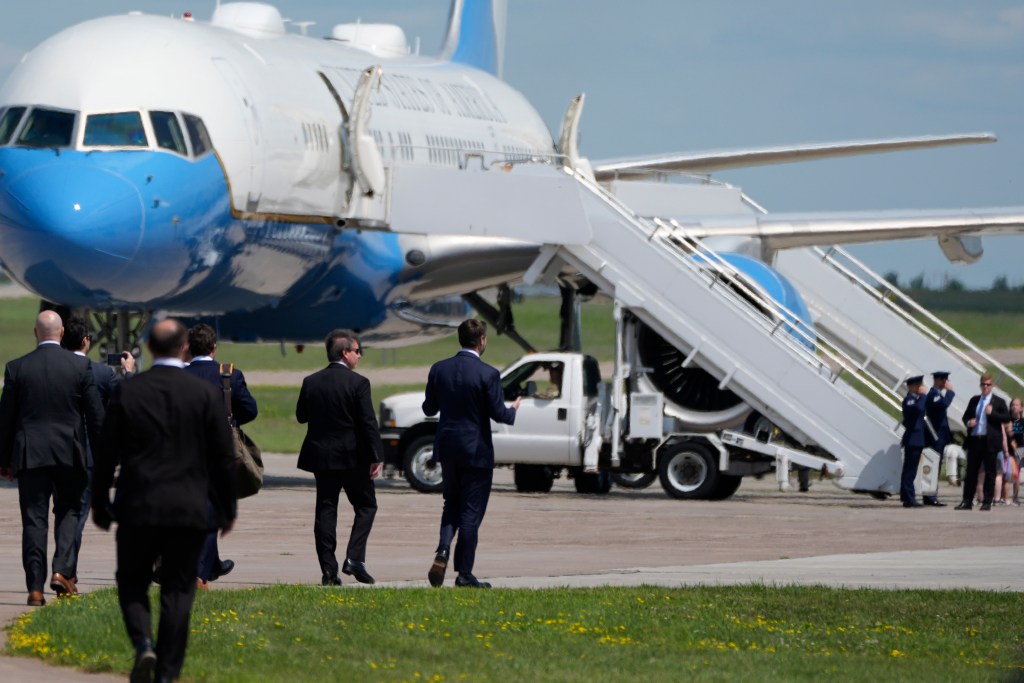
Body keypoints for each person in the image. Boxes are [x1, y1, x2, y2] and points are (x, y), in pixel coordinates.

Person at [92, 319, 236, 683]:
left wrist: (99, 502)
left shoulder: (129, 391)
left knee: (132, 582)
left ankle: (143, 643)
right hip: (188, 508)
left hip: (138, 504)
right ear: (182, 348)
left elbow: (106, 453)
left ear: (151, 349)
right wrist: (226, 508)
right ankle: (168, 674)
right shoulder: (204, 394)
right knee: (177, 591)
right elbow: (222, 456)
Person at [0, 311, 104, 606]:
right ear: (60, 334)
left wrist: (4, 460)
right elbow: (96, 418)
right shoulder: (80, 366)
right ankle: (61, 571)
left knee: (34, 521)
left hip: (30, 454)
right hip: (69, 454)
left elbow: (5, 420)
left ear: (36, 333)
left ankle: (34, 588)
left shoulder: (17, 368)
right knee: (69, 512)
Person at [422, 319, 521, 588]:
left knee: (451, 502)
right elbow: (499, 414)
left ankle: (443, 549)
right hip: (476, 451)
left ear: (460, 339)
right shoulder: (488, 374)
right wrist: (514, 409)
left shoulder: (439, 369)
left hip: (447, 449)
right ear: (482, 340)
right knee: (470, 513)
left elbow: (428, 409)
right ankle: (464, 573)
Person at [296, 330, 383, 586]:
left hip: (322, 457)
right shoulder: (358, 383)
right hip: (352, 458)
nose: (359, 356)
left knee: (326, 510)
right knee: (366, 506)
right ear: (345, 353)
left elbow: (301, 416)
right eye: (357, 351)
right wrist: (376, 455)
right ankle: (354, 558)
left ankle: (328, 571)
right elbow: (368, 422)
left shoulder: (311, 381)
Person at [60, 316, 135, 585]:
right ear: (86, 342)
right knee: (77, 514)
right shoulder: (103, 374)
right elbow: (129, 401)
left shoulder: (52, 368)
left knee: (62, 513)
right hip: (89, 453)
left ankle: (64, 569)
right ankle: (65, 570)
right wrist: (129, 372)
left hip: (54, 452)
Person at [184, 323, 256, 586]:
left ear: (188, 349)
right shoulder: (229, 376)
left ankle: (211, 565)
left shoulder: (178, 375)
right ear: (214, 348)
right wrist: (231, 419)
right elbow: (250, 410)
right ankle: (199, 574)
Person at [956, 373, 1011, 511]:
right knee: (971, 472)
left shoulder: (998, 401)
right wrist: (969, 422)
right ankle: (967, 500)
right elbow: (965, 417)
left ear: (992, 386)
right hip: (975, 440)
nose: (985, 387)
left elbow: (1006, 417)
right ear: (980, 385)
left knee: (990, 472)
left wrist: (992, 413)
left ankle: (987, 501)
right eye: (983, 384)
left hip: (990, 441)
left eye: (988, 384)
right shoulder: (975, 400)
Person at [922, 371, 954, 507]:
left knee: (936, 465)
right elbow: (942, 405)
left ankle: (931, 494)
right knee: (933, 466)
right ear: (939, 380)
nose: (946, 382)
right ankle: (930, 496)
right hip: (935, 437)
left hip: (940, 437)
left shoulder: (937, 395)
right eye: (944, 380)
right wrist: (950, 393)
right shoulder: (933, 395)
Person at [899, 375, 928, 508]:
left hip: (917, 439)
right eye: (917, 386)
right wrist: (922, 396)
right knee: (909, 470)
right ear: (912, 387)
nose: (919, 388)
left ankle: (907, 497)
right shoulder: (909, 400)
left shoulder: (915, 399)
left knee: (912, 470)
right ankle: (909, 498)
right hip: (912, 439)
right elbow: (919, 409)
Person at [1009, 398, 1024, 506]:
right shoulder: (1008, 420)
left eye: (1017, 405)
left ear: (1021, 408)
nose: (1015, 407)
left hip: (1022, 448)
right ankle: (1014, 497)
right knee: (1015, 474)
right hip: (1011, 449)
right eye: (1013, 405)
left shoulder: (1023, 422)